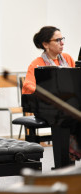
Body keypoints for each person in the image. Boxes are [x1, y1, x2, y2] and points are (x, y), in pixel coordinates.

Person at [22, 26, 81, 160]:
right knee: (65, 117)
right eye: (58, 40)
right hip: (45, 107)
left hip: (68, 105)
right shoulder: (36, 64)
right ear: (45, 44)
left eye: (62, 39)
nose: (62, 43)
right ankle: (64, 162)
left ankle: (71, 154)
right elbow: (28, 86)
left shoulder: (68, 59)